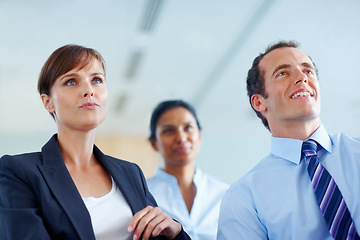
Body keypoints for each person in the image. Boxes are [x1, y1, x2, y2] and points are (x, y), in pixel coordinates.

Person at [0, 44, 191, 240]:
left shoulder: (130, 173)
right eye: (71, 82)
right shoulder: (18, 172)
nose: (89, 90)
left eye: (97, 80)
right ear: (48, 102)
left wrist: (175, 233)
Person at [217, 40, 360, 240]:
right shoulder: (244, 197)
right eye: (283, 73)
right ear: (259, 102)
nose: (302, 78)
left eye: (308, 71)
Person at [147, 99, 229, 240]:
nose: (181, 137)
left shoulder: (225, 194)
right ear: (154, 143)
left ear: (200, 135)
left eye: (188, 128)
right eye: (169, 131)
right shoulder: (144, 195)